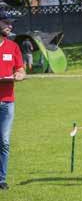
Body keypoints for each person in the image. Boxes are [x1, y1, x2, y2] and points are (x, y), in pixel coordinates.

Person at [0, 15, 25, 190]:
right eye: (6, 24)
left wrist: (19, 75)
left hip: (7, 102)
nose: (9, 26)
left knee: (4, 141)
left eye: (11, 24)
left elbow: (21, 69)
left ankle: (1, 179)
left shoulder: (13, 46)